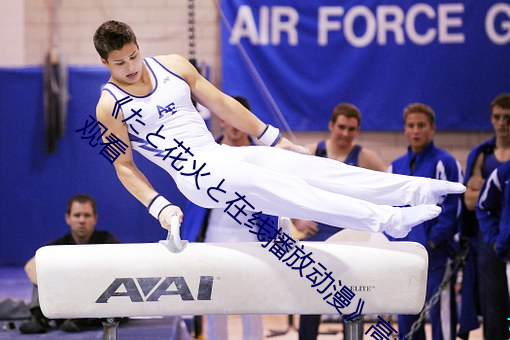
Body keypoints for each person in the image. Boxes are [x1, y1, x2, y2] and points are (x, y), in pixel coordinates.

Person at [92, 20, 464, 253]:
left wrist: (273, 139)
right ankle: (385, 220)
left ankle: (411, 190)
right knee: (292, 193)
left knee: (312, 168)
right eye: (120, 63)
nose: (130, 67)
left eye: (133, 56)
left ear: (139, 46)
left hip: (220, 154)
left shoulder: (172, 65)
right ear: (105, 63)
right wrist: (159, 206)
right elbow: (124, 166)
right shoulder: (109, 107)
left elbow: (222, 103)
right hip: (196, 176)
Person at [181, 96, 271, 340]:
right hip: (213, 239)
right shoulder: (207, 155)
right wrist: (187, 240)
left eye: (238, 119)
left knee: (253, 306)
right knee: (215, 306)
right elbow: (194, 202)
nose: (233, 124)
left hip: (253, 240)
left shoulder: (261, 157)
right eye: (228, 118)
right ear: (221, 120)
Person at [295, 102, 386, 340]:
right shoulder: (311, 152)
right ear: (331, 126)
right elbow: (285, 189)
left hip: (351, 240)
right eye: (341, 127)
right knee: (311, 301)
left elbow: (389, 192)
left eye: (351, 129)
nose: (345, 134)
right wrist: (297, 219)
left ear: (357, 131)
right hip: (317, 236)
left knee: (351, 299)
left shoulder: (365, 158)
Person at [387, 103, 462, 340]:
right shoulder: (395, 167)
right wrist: (395, 243)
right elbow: (388, 209)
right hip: (406, 259)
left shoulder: (445, 163)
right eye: (411, 126)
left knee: (442, 320)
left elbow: (452, 209)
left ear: (432, 129)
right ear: (405, 130)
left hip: (436, 257)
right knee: (407, 322)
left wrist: (432, 242)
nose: (416, 131)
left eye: (421, 125)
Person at [19, 194, 120, 334]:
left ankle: (80, 319)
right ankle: (38, 318)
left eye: (87, 215)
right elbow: (30, 266)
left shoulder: (108, 242)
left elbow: (118, 270)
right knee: (42, 270)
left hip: (96, 301)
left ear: (95, 218)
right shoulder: (57, 246)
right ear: (68, 218)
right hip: (65, 298)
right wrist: (60, 283)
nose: (82, 220)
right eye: (77, 215)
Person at [460, 93, 510, 340]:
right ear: (491, 119)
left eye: (507, 118)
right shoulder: (482, 154)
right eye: (497, 117)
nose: (502, 123)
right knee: (493, 304)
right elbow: (469, 203)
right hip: (489, 238)